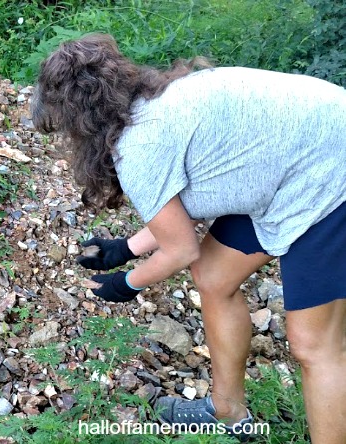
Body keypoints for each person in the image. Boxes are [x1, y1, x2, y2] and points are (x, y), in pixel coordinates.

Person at [30, 33, 345, 443]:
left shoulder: (139, 149)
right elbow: (185, 209)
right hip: (291, 166)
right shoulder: (153, 104)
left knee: (314, 346)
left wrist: (126, 284)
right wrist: (124, 249)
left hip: (330, 174)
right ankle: (228, 412)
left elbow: (180, 248)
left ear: (79, 122)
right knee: (213, 277)